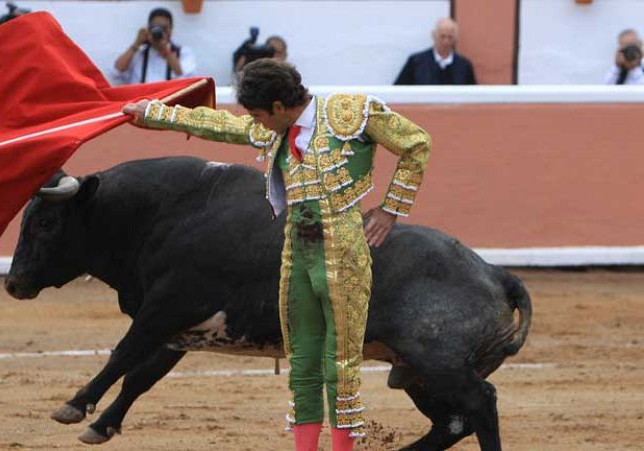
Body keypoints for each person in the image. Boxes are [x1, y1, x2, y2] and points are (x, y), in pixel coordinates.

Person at [123, 59, 431, 451]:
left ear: (279, 107)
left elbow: (416, 143)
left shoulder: (349, 114)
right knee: (302, 358)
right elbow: (222, 126)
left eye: (258, 114)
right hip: (296, 251)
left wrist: (390, 210)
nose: (255, 123)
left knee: (341, 362)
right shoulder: (278, 131)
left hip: (343, 250)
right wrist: (152, 114)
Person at [110, 7, 197, 85]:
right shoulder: (139, 54)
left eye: (164, 28)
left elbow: (187, 80)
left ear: (171, 30)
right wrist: (136, 44)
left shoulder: (183, 53)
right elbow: (116, 73)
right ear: (148, 28)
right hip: (141, 100)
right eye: (156, 27)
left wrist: (165, 50)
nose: (160, 31)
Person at [394, 17, 476, 85]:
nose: (446, 41)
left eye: (450, 37)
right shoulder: (416, 62)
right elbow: (398, 91)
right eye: (442, 36)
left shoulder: (464, 65)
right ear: (433, 36)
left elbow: (472, 95)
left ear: (455, 39)